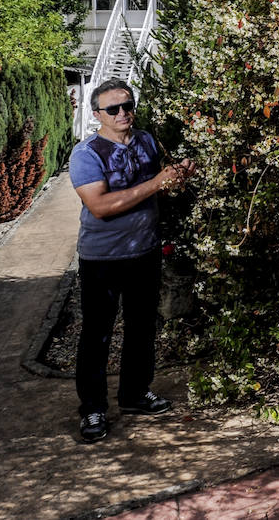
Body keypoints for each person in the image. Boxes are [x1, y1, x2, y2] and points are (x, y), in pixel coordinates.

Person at [68, 77, 195, 443]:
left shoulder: (147, 141)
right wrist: (157, 183)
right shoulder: (87, 153)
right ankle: (92, 408)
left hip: (145, 251)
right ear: (97, 115)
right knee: (97, 334)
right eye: (113, 109)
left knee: (141, 328)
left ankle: (134, 395)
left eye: (127, 105)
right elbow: (101, 206)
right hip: (103, 258)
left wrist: (180, 176)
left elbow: (163, 188)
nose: (123, 113)